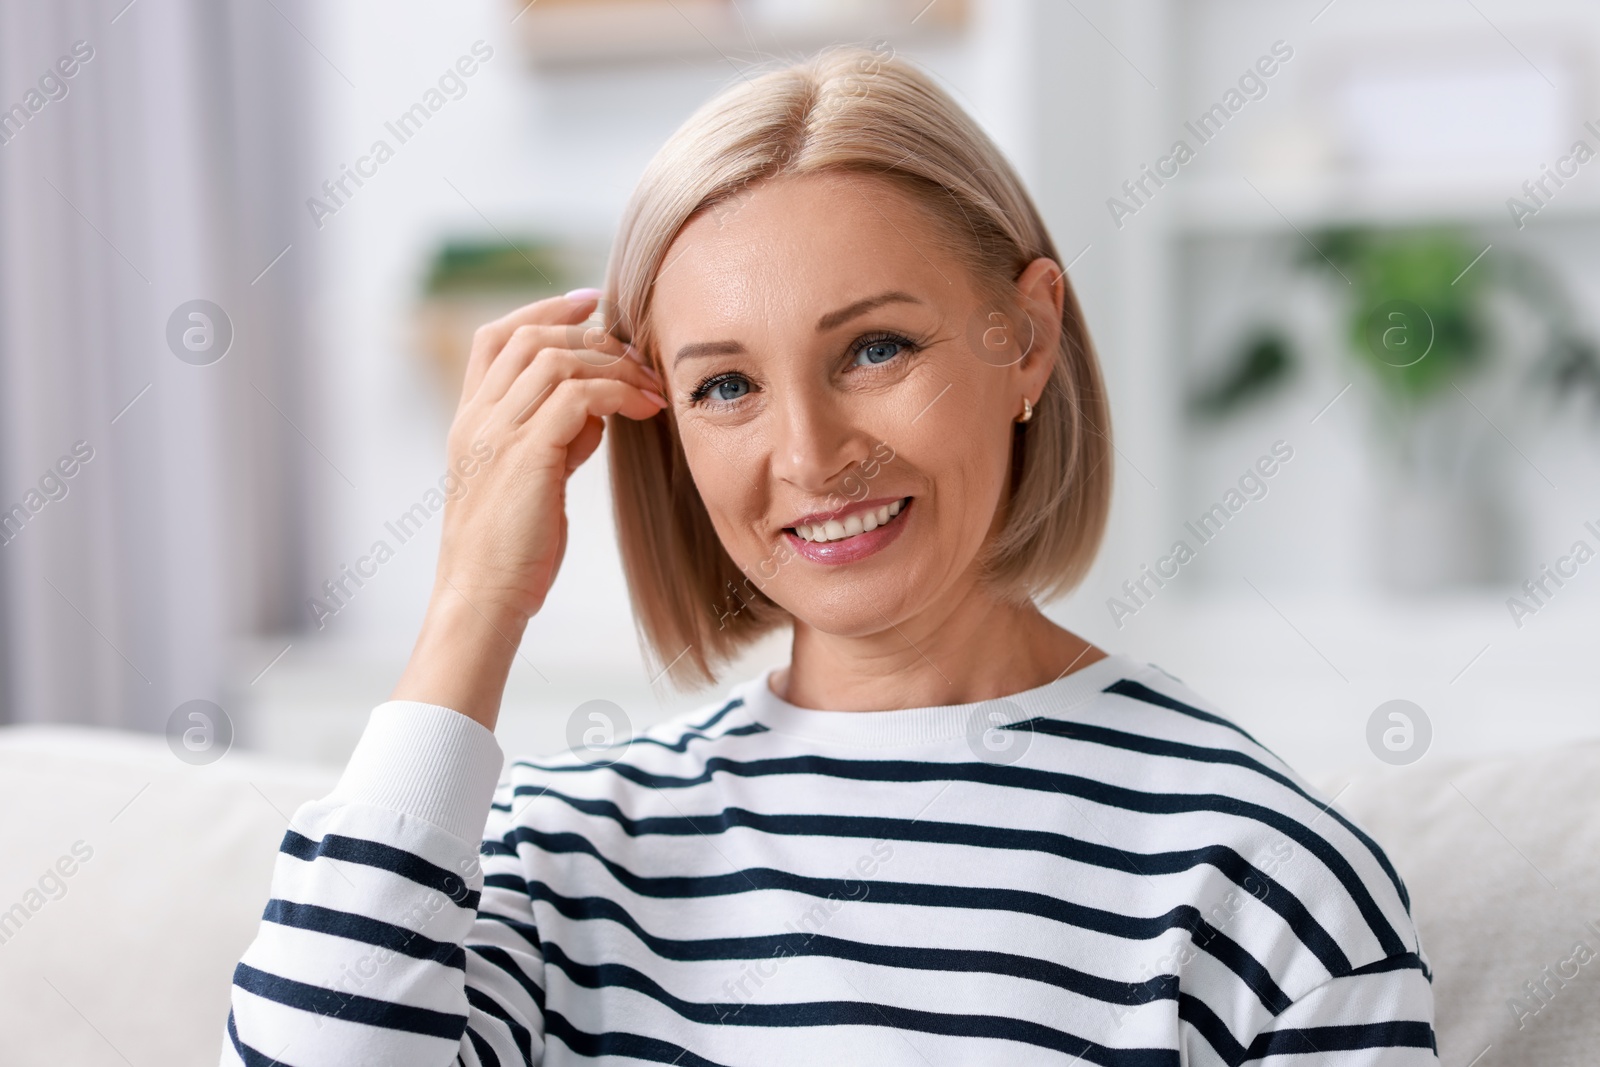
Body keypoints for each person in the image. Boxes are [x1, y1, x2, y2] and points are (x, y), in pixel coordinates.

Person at [220, 45, 1436, 1066]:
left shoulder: (1257, 870)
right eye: (728, 384)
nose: (809, 453)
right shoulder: (562, 858)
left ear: (1027, 335)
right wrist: (473, 597)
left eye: (874, 350)